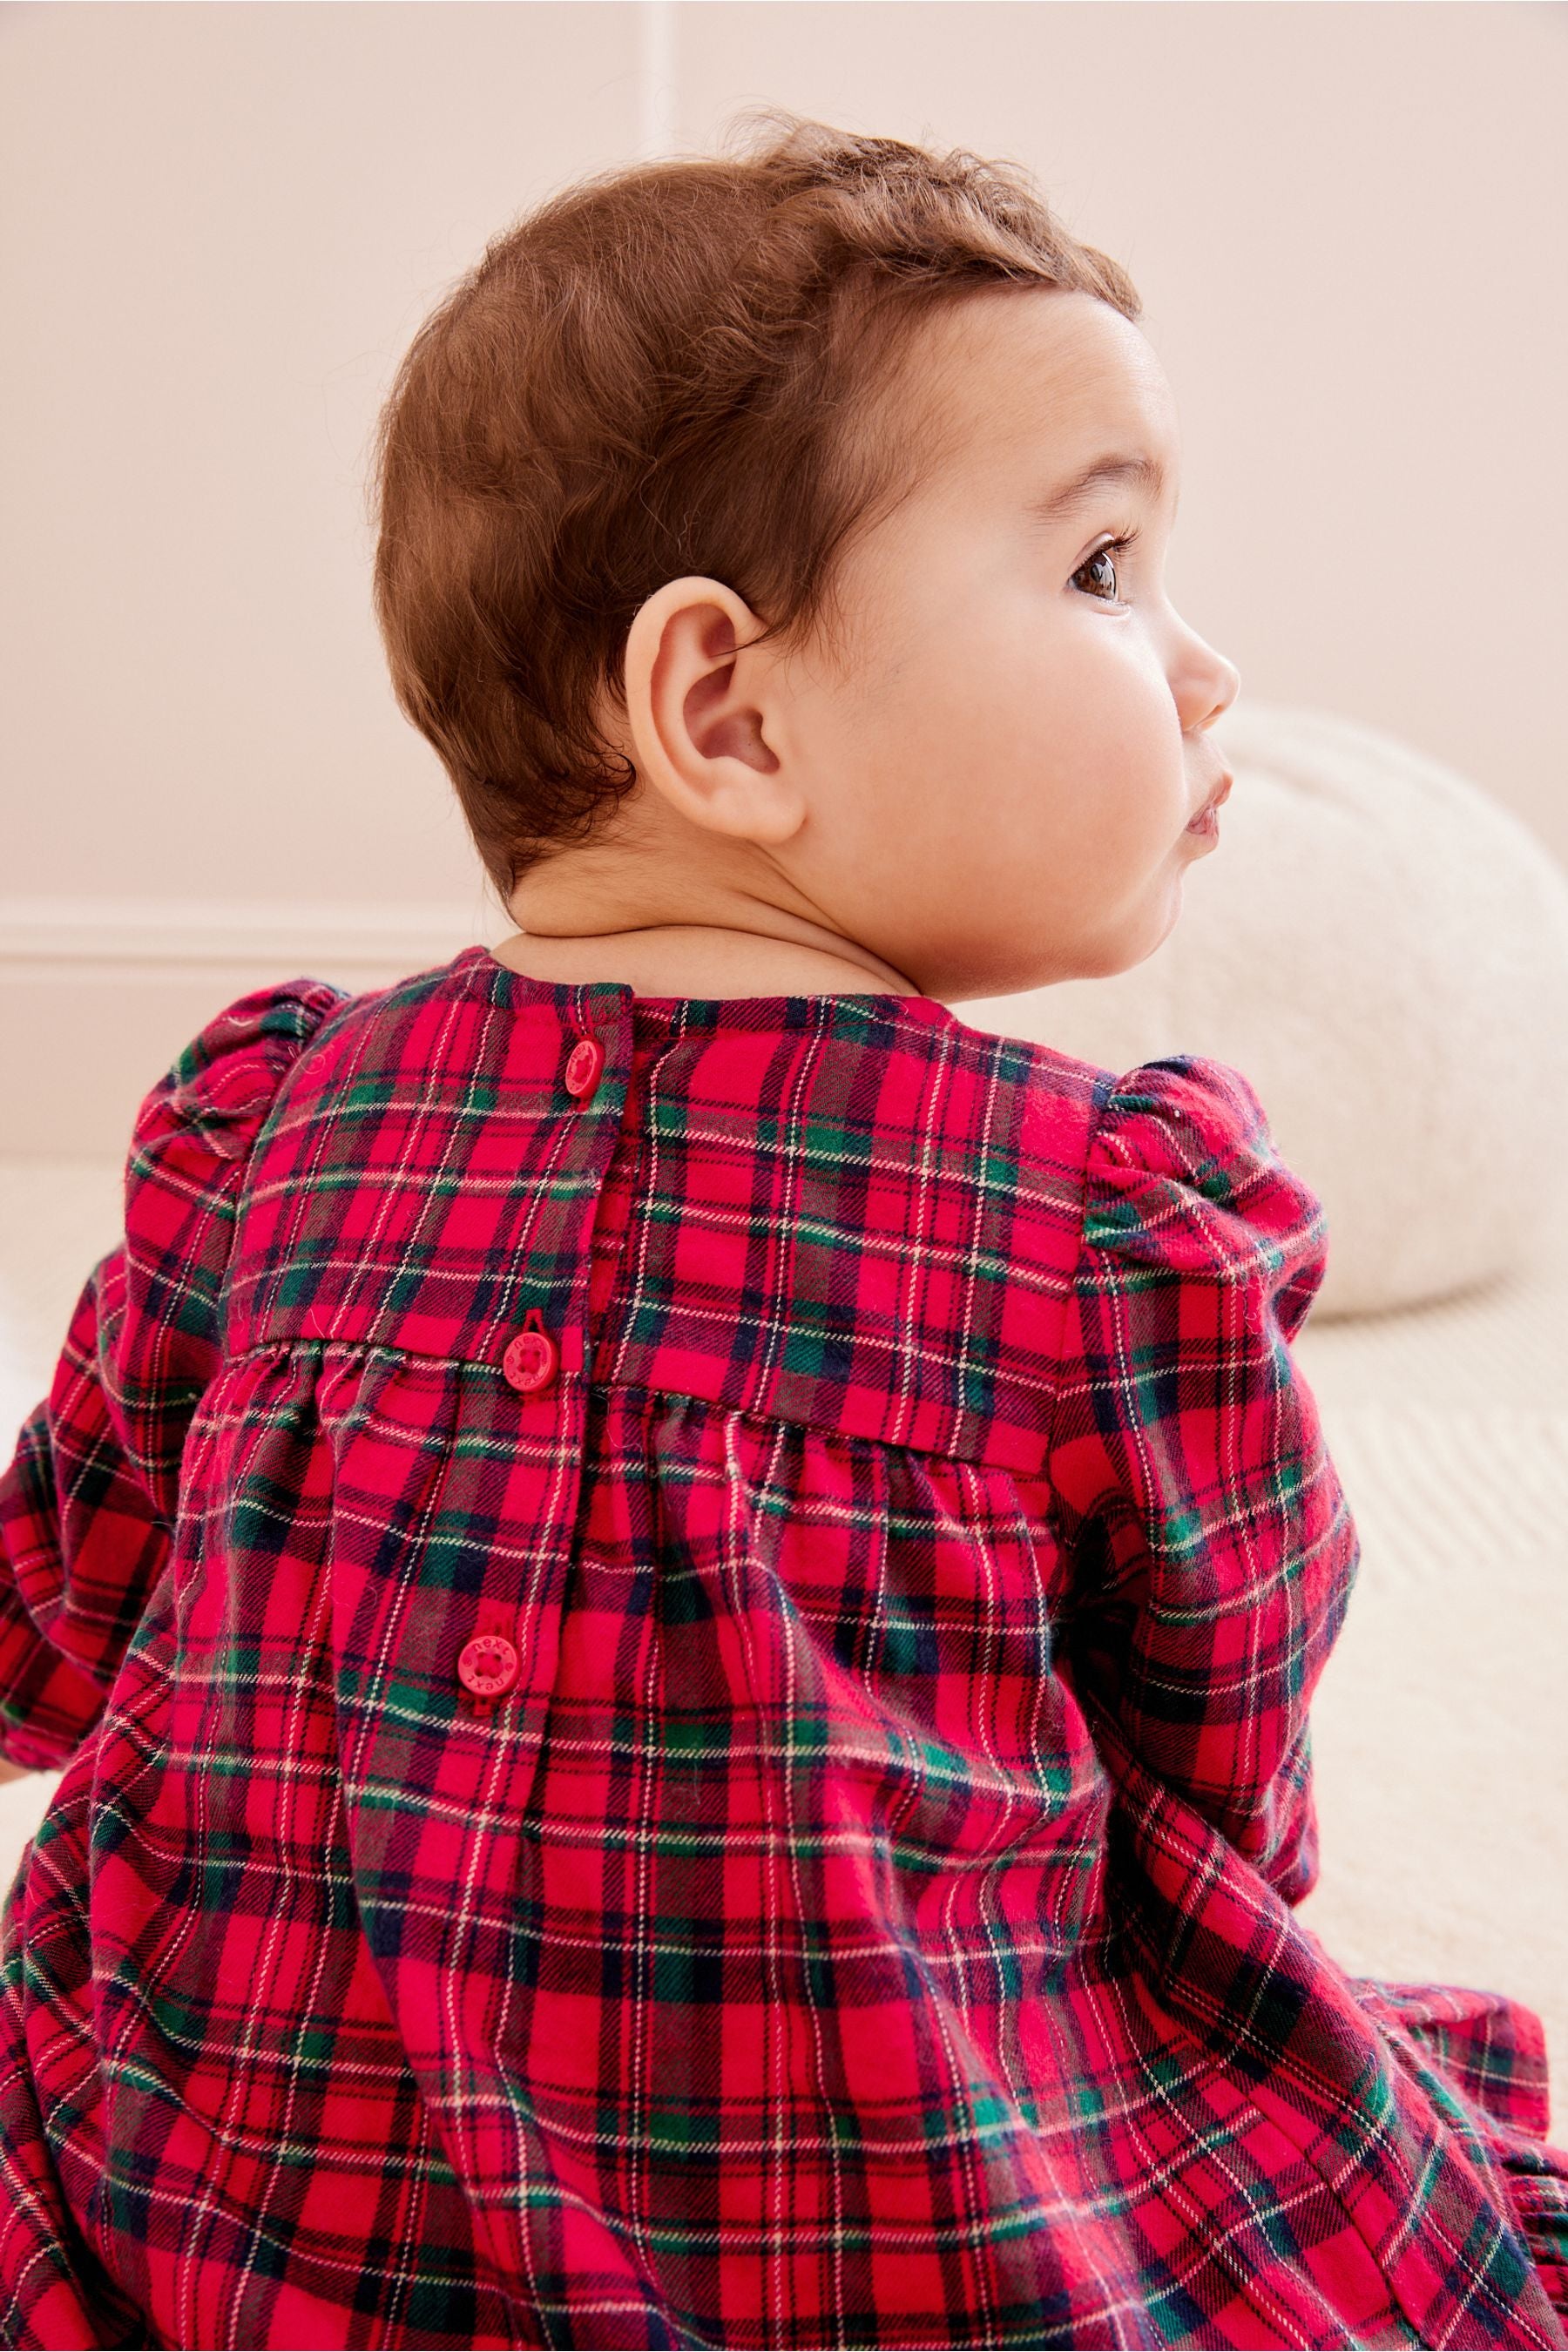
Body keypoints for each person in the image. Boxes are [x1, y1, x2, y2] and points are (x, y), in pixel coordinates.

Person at [1, 112, 1564, 2351]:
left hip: (223, 2194)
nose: (1208, 674)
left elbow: (53, 1608)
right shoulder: (1101, 1227)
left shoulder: (266, 1134)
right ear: (724, 709)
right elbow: (1222, 1754)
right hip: (881, 2231)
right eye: (1107, 570)